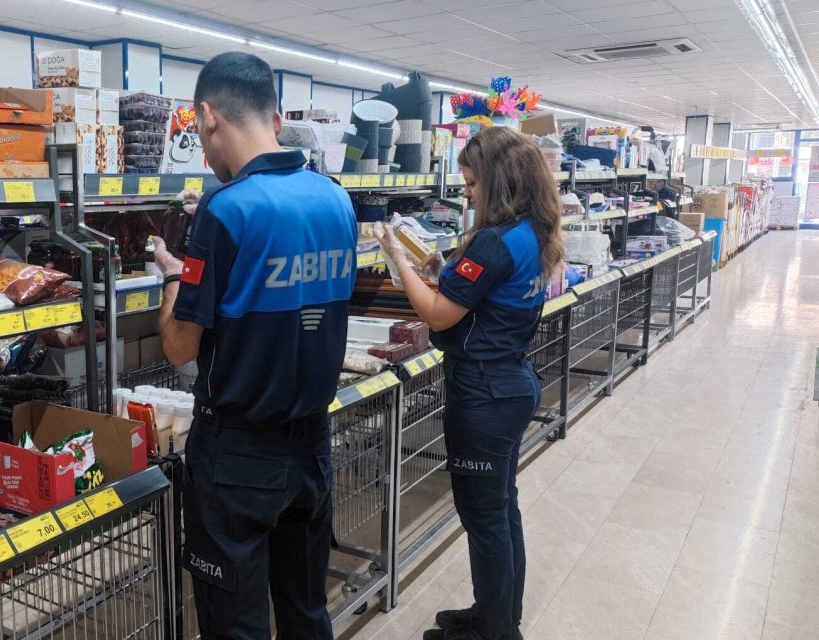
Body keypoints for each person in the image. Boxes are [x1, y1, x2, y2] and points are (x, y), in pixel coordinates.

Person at [151, 51, 357, 640]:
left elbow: (180, 348)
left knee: (235, 624)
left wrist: (174, 273)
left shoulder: (226, 208)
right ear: (273, 115)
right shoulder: (335, 198)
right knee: (306, 609)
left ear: (208, 116)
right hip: (313, 442)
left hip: (239, 455)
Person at [373, 126, 564, 640]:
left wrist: (397, 256)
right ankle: (497, 613)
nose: (468, 193)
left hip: (484, 391)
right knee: (501, 506)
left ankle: (495, 631)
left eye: (473, 183)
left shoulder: (495, 242)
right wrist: (444, 266)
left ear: (500, 182)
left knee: (484, 517)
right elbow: (480, 291)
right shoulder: (532, 232)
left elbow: (437, 314)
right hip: (511, 382)